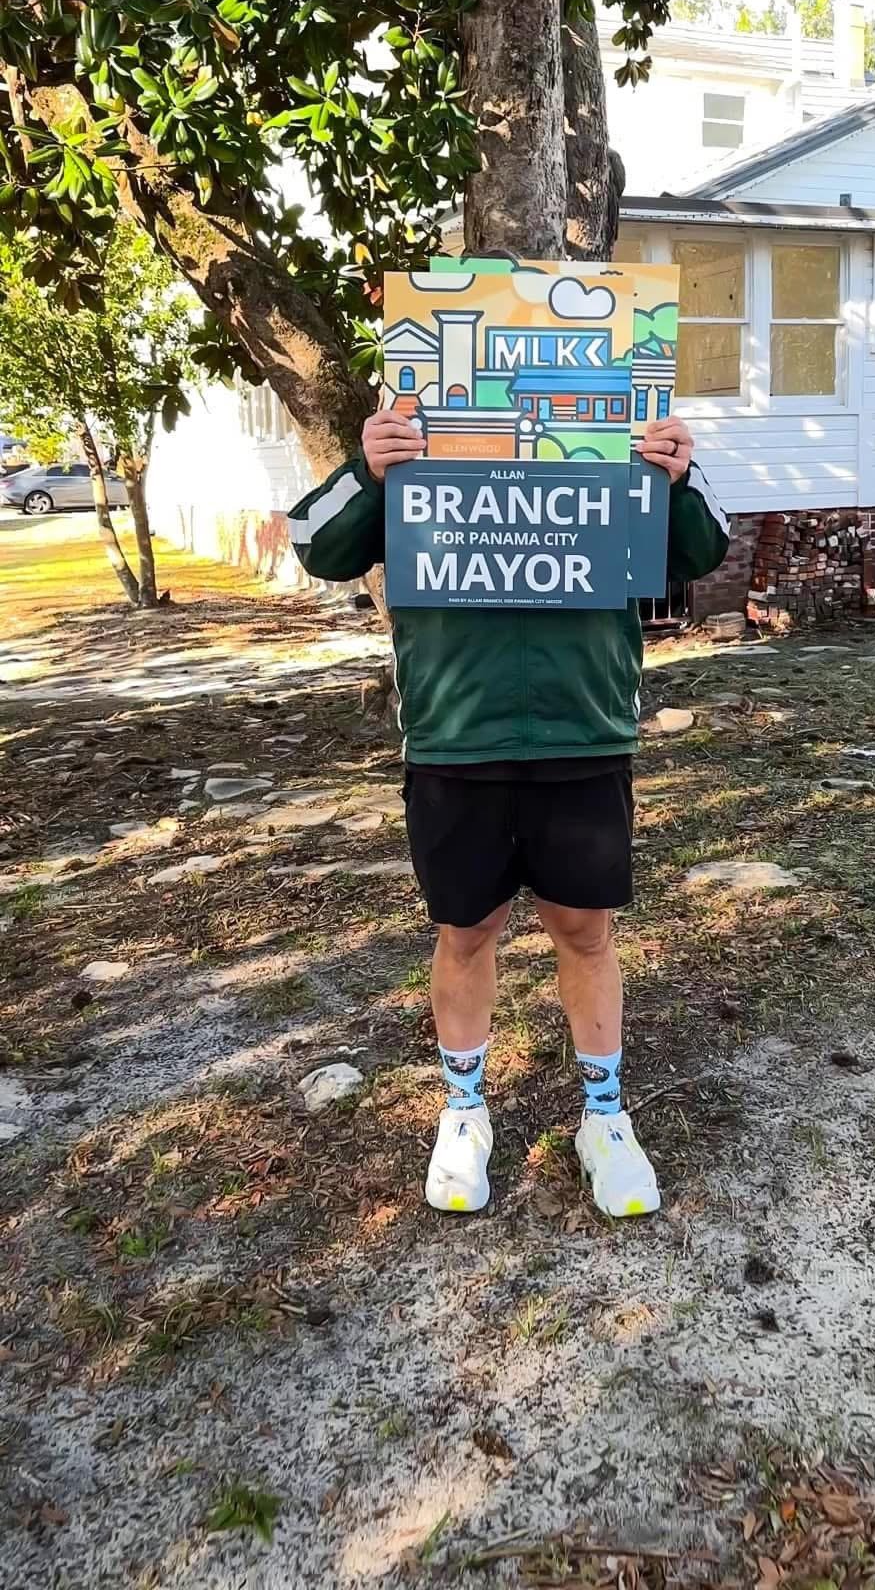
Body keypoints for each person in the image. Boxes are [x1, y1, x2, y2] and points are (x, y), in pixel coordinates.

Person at [288, 409, 729, 1218]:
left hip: (584, 734)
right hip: (456, 741)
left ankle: (604, 1117)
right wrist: (367, 469)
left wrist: (676, 473)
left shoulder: (617, 443)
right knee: (465, 934)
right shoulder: (413, 445)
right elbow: (316, 543)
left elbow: (705, 550)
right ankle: (464, 1113)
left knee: (587, 933)